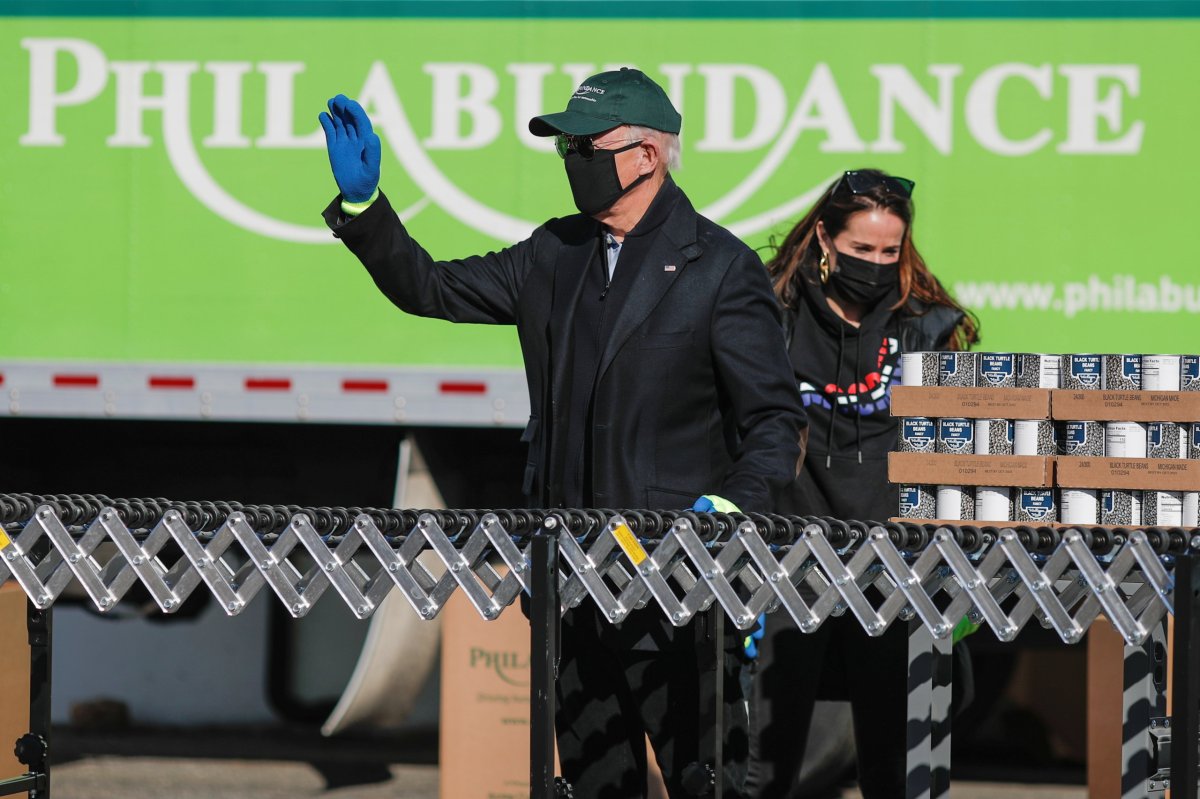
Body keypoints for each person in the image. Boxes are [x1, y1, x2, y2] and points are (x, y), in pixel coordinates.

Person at [317, 68, 807, 798]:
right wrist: (366, 206)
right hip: (571, 587)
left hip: (679, 593)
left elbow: (774, 420)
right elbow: (430, 287)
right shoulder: (554, 252)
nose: (573, 157)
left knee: (711, 786)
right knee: (594, 785)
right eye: (565, 144)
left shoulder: (721, 268)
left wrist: (730, 510)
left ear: (647, 154)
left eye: (588, 143)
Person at [747, 169, 978, 798]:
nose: (876, 265)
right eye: (861, 250)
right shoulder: (769, 314)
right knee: (763, 765)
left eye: (889, 251)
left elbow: (955, 455)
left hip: (893, 569)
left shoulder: (927, 327)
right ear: (824, 236)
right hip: (786, 562)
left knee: (895, 770)